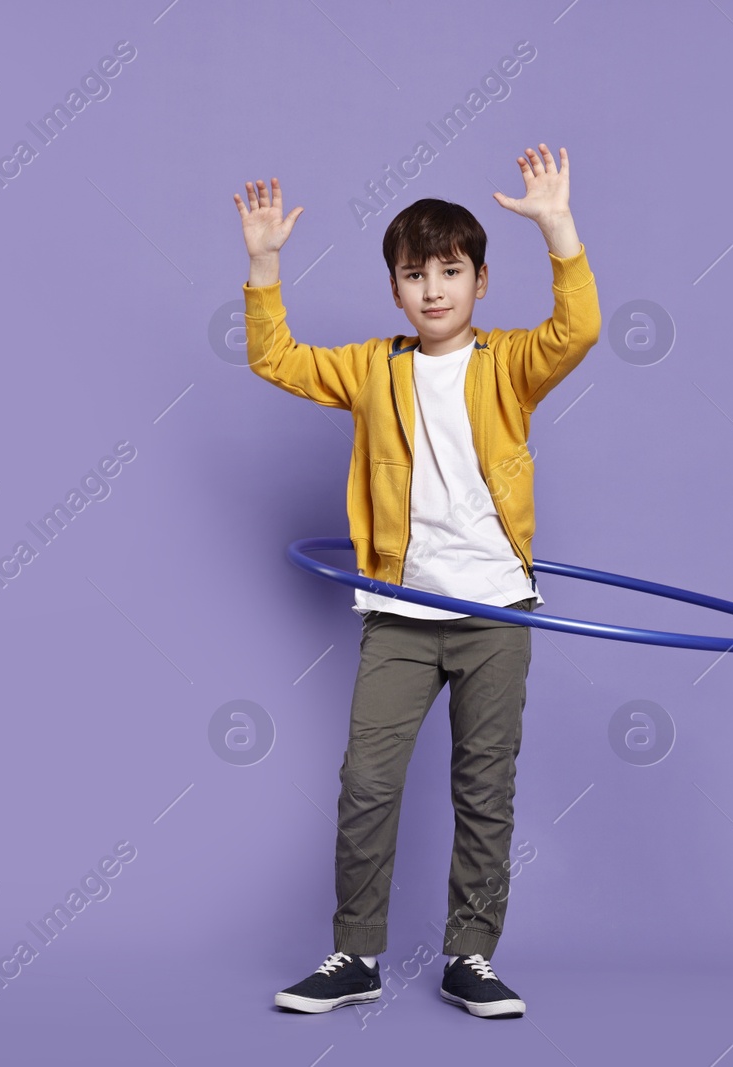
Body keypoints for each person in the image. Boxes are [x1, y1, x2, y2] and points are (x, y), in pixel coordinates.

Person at [233, 144, 599, 1019]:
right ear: (394, 288)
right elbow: (275, 358)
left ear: (480, 281)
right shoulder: (371, 368)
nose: (433, 288)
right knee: (367, 782)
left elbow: (578, 329)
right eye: (413, 273)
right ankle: (354, 954)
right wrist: (264, 264)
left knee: (484, 787)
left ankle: (470, 955)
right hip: (400, 614)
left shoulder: (510, 363)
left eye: (450, 270)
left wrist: (559, 228)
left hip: (494, 612)